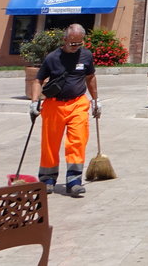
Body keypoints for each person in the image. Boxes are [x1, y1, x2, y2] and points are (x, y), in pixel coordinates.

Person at [29, 24, 100, 197]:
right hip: (54, 105)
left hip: (78, 104)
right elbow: (38, 80)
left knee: (77, 141)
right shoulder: (53, 58)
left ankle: (74, 180)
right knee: (50, 143)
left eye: (79, 43)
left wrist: (96, 100)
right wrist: (34, 102)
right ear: (65, 40)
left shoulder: (86, 56)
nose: (75, 47)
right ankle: (47, 179)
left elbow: (90, 77)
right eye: (72, 43)